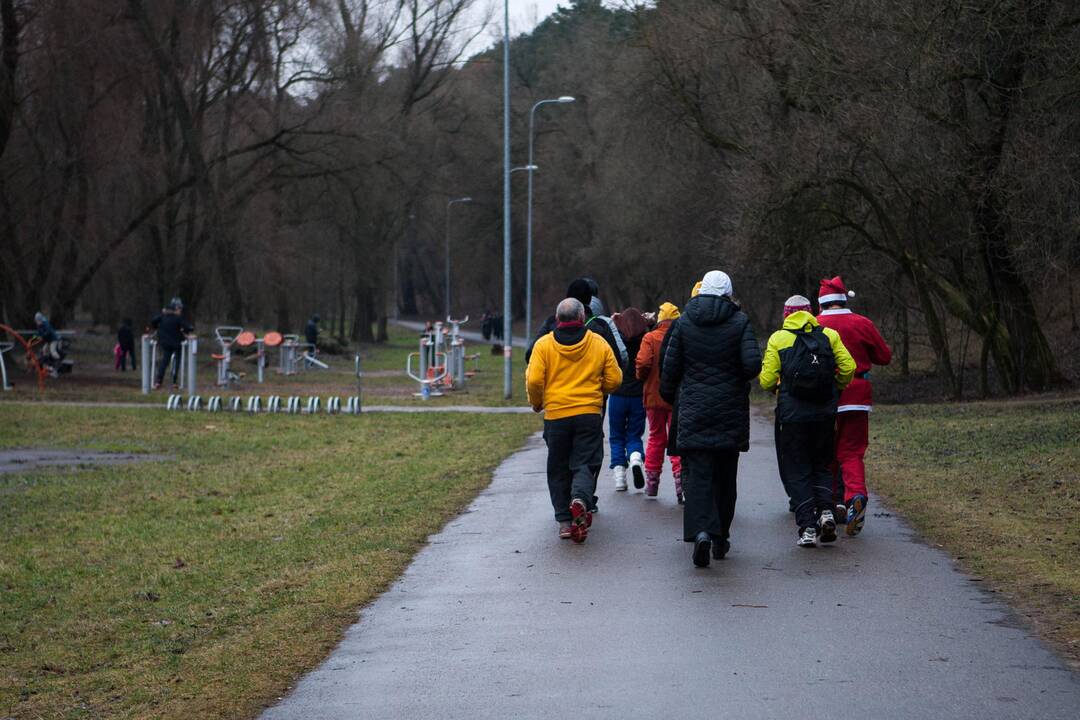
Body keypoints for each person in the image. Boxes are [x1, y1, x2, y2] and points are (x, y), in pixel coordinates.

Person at [660, 271, 761, 567]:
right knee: (725, 478)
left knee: (699, 476)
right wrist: (735, 379)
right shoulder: (739, 322)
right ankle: (721, 537)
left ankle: (701, 531)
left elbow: (670, 369)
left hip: (694, 409)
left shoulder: (684, 322)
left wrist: (671, 397)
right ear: (728, 292)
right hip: (729, 411)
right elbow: (752, 364)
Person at [760, 295, 855, 548]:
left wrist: (780, 389)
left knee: (797, 469)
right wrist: (836, 389)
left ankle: (807, 528)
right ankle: (826, 511)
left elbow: (766, 380)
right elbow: (849, 367)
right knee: (822, 464)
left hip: (792, 416)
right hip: (824, 414)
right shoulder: (829, 335)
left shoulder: (778, 339)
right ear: (810, 312)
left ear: (786, 315)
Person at [526, 297, 622, 543]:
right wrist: (601, 391)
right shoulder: (597, 342)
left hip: (556, 416)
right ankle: (580, 499)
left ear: (558, 319)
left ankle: (564, 523)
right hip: (588, 414)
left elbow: (535, 380)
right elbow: (614, 379)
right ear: (582, 318)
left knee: (558, 468)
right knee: (585, 462)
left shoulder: (544, 345)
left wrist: (538, 402)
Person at [815, 276, 892, 536]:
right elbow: (884, 356)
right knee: (851, 451)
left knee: (827, 452)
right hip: (857, 396)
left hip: (825, 396)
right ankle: (855, 496)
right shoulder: (862, 323)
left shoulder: (816, 325)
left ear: (822, 303)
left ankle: (834, 501)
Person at [635, 302, 683, 502]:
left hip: (654, 397)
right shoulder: (682, 337)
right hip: (675, 397)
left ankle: (652, 485)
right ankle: (681, 483)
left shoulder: (650, 337)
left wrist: (641, 376)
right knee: (676, 440)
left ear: (660, 320)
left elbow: (644, 362)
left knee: (656, 437)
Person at [608, 308, 649, 491]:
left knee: (616, 436)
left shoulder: (616, 341)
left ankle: (619, 478)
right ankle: (635, 459)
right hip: (638, 395)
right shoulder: (645, 339)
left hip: (617, 393)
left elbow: (606, 330)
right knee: (634, 434)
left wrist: (613, 321)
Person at [151, 298, 193, 389]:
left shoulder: (162, 317)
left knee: (164, 361)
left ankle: (159, 380)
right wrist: (188, 330)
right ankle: (174, 381)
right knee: (177, 361)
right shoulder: (177, 318)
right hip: (176, 343)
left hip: (165, 343)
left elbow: (153, 322)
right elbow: (187, 327)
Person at [34, 312, 62, 376]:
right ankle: (47, 364)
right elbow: (39, 332)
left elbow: (48, 332)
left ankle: (58, 362)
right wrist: (35, 336)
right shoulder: (39, 325)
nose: (37, 322)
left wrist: (42, 336)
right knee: (44, 350)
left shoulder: (46, 323)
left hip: (53, 339)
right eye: (36, 321)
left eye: (37, 321)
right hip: (48, 340)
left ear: (40, 319)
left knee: (53, 351)